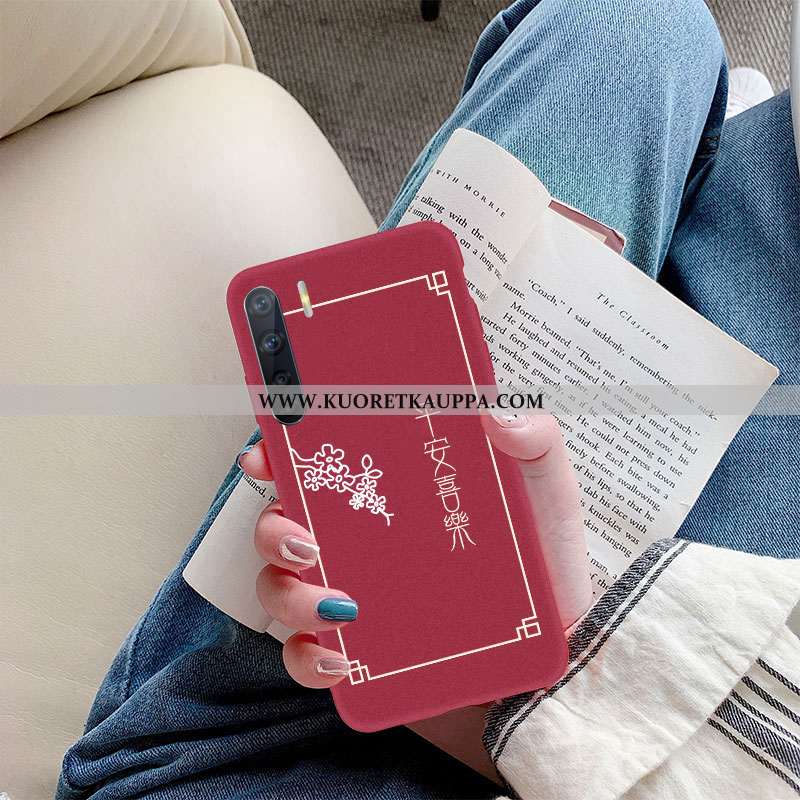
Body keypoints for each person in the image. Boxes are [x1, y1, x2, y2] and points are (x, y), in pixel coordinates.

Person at [57, 0, 800, 798]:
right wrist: (527, 674)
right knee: (633, 27)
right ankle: (697, 197)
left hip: (240, 762)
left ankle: (700, 194)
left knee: (631, 40)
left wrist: (550, 697)